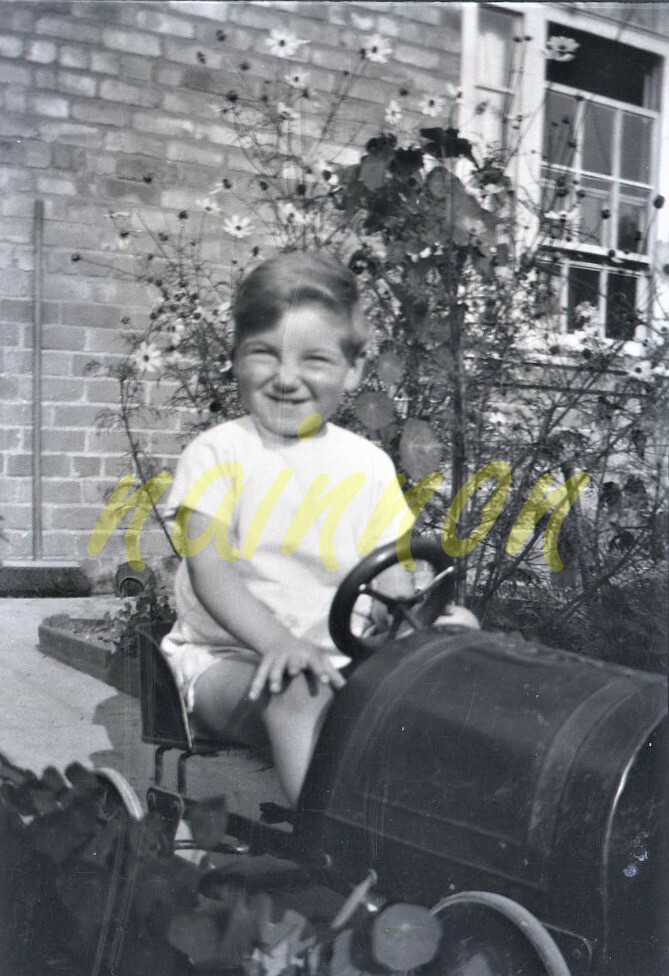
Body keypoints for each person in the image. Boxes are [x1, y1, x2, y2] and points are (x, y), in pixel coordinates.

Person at [160, 250, 469, 807]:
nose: (285, 378)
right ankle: (326, 835)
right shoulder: (218, 455)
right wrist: (279, 642)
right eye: (263, 354)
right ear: (234, 358)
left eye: (315, 360)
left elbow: (394, 570)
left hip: (341, 658)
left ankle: (439, 825)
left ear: (352, 370)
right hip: (232, 664)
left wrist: (415, 621)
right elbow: (211, 571)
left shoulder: (368, 463)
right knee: (300, 685)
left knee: (455, 652)